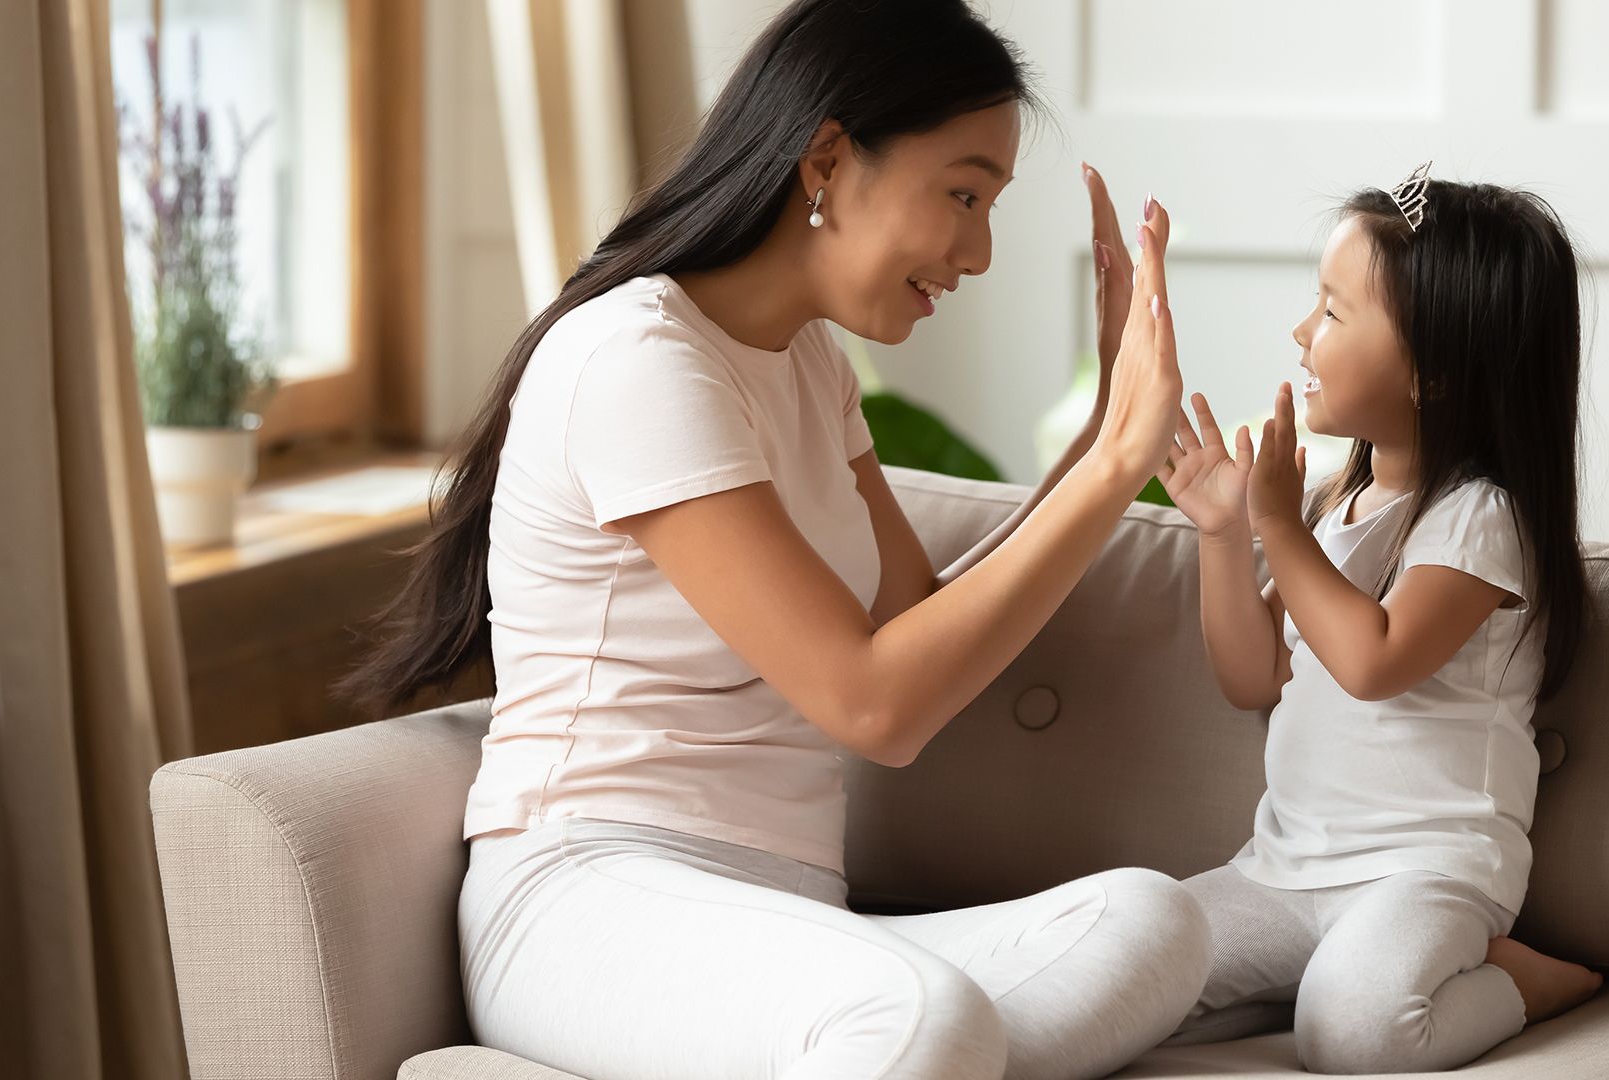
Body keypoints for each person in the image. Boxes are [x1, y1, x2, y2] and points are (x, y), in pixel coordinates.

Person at [340, 2, 1209, 1077]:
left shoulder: (808, 367)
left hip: (791, 923)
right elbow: (873, 703)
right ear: (829, 159)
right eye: (964, 194)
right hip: (589, 902)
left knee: (1152, 923)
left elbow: (918, 627)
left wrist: (1093, 444)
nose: (978, 252)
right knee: (920, 1025)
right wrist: (1120, 465)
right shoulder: (636, 359)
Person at [1160, 169, 1604, 1072]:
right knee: (1127, 975)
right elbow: (1252, 679)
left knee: (1352, 1031)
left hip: (1427, 874)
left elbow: (1374, 660)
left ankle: (1526, 981)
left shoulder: (1480, 520)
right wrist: (1223, 532)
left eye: (1331, 312)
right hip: (1281, 872)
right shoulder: (1340, 506)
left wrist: (1278, 527)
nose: (1300, 331)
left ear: (1434, 371)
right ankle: (1314, 971)